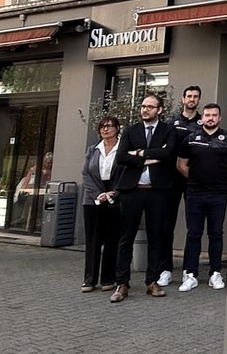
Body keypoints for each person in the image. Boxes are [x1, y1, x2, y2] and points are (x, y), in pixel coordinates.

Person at [111, 94, 175, 302]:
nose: (145, 110)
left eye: (150, 107)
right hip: (132, 189)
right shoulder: (131, 130)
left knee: (156, 236)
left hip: (157, 190)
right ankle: (122, 283)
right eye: (143, 106)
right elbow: (121, 157)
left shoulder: (168, 130)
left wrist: (138, 153)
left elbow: (169, 154)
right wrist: (148, 158)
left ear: (160, 110)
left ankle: (152, 281)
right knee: (126, 237)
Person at [176, 103, 227, 292]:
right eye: (207, 115)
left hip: (218, 194)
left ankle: (215, 273)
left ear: (219, 117)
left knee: (216, 234)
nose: (210, 118)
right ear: (203, 117)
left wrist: (222, 177)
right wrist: (195, 179)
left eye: (214, 115)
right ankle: (190, 274)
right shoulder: (191, 138)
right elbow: (181, 164)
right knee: (193, 234)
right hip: (195, 193)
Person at [159, 85, 202, 289]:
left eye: (195, 97)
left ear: (198, 100)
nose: (192, 99)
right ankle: (165, 269)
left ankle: (189, 271)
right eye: (189, 96)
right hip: (170, 179)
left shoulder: (203, 123)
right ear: (183, 99)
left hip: (193, 179)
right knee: (166, 224)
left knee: (193, 226)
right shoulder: (171, 122)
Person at [81, 115, 122, 293]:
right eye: (102, 127)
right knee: (93, 240)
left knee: (112, 240)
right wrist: (98, 194)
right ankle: (89, 279)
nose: (105, 129)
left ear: (117, 128)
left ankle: (108, 279)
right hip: (93, 199)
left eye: (109, 126)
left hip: (115, 197)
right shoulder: (92, 150)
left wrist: (114, 192)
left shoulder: (123, 149)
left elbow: (126, 173)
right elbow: (85, 174)